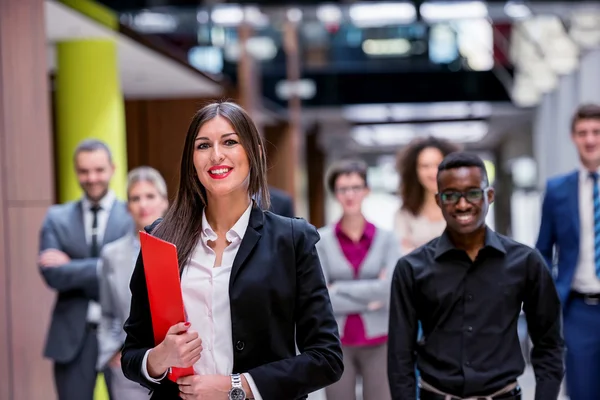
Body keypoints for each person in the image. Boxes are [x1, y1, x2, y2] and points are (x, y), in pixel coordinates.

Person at [121, 101, 343, 400]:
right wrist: (160, 358)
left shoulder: (291, 239)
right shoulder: (161, 240)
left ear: (255, 153)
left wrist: (236, 386)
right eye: (203, 145)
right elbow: (132, 354)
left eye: (229, 142)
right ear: (191, 159)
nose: (216, 155)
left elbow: (326, 359)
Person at [388, 152, 564, 400]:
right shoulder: (411, 268)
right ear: (439, 201)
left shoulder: (526, 262)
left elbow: (549, 345)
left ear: (489, 196)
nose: (462, 205)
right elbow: (399, 356)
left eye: (472, 193)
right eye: (451, 196)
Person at [38, 139, 133, 400]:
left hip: (123, 339)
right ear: (75, 171)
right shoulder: (56, 218)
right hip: (71, 339)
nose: (92, 178)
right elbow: (52, 274)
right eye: (84, 171)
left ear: (112, 168)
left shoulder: (132, 216)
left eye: (99, 170)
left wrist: (71, 266)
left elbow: (132, 272)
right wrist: (109, 268)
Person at [316, 159, 400, 400]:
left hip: (380, 340)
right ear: (335, 194)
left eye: (356, 187)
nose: (350, 195)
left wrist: (338, 289)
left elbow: (389, 290)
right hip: (336, 343)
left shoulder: (387, 239)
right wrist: (370, 297)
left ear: (367, 191)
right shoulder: (320, 240)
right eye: (343, 189)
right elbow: (321, 296)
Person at [536, 103, 600, 399]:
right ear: (573, 137)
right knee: (583, 391)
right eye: (582, 132)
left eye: (596, 132)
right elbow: (543, 250)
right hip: (578, 310)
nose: (590, 139)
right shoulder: (557, 189)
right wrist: (551, 296)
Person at [97, 166, 169, 400]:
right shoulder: (111, 254)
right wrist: (111, 353)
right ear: (128, 207)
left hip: (176, 366)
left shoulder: (184, 248)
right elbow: (107, 312)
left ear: (165, 201)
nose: (143, 204)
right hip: (128, 368)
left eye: (150, 196)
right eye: (135, 198)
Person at [394, 137, 459, 254]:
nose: (433, 172)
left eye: (438, 164)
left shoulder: (462, 206)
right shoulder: (404, 214)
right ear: (415, 171)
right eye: (425, 166)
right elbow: (402, 254)